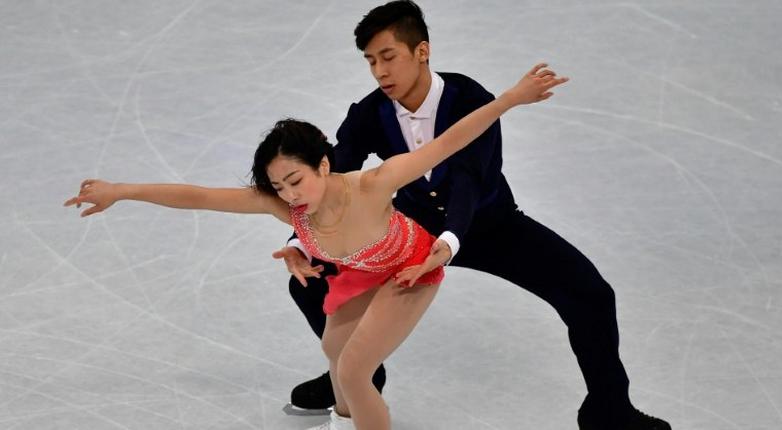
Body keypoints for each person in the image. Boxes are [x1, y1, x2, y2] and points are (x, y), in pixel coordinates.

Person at [64, 66, 566, 430]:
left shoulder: (373, 184)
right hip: (363, 275)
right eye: (278, 186)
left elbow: (448, 143)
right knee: (336, 355)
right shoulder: (290, 210)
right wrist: (121, 190)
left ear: (324, 165)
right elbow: (197, 196)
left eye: (295, 179)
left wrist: (508, 100)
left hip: (410, 269)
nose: (288, 194)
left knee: (352, 370)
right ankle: (351, 412)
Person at [275, 1, 671, 429]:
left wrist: (447, 245)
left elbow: (467, 180)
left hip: (488, 225)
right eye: (371, 61)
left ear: (421, 51)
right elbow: (335, 181)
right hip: (405, 234)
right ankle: (355, 375)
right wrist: (303, 242)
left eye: (388, 57)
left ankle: (608, 410)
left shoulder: (470, 100)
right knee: (307, 282)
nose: (379, 72)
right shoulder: (369, 113)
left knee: (591, 295)